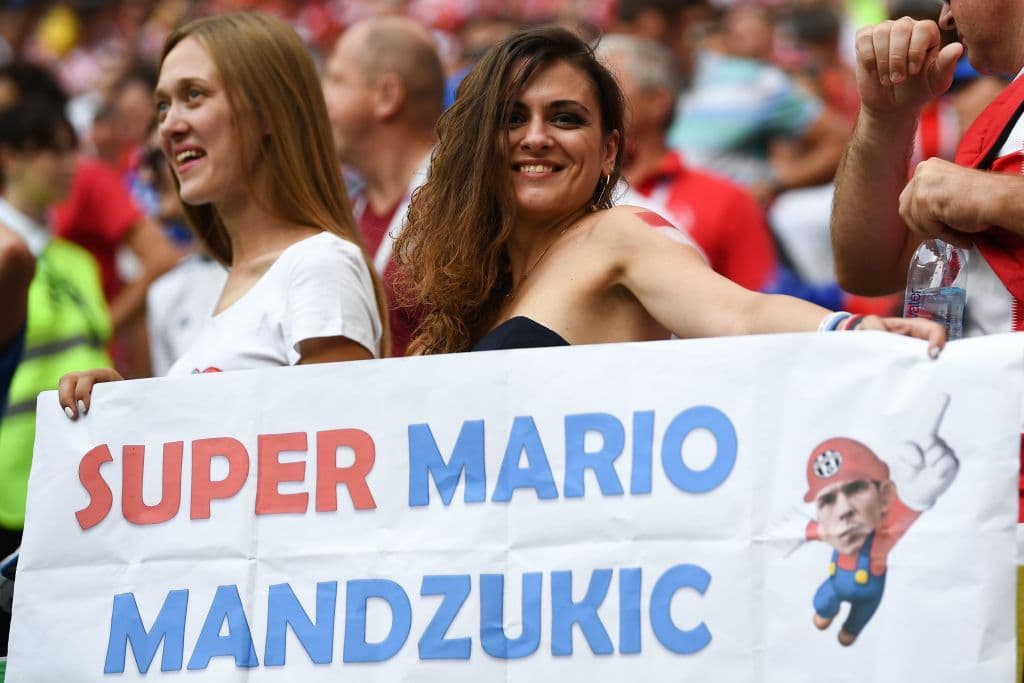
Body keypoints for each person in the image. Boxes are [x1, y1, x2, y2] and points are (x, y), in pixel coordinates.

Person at [393, 26, 945, 356]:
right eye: (512, 118)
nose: (536, 138)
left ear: (609, 151)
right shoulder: (467, 279)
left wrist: (858, 331)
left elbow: (739, 316)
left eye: (565, 119)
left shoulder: (619, 235)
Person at [58, 11, 387, 416]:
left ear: (268, 112)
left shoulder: (318, 266)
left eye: (194, 94)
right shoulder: (236, 281)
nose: (169, 126)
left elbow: (338, 463)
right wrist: (132, 413)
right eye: (162, 106)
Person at [830, 3, 1024, 338]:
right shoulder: (1005, 108)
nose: (945, 18)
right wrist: (884, 117)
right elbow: (870, 272)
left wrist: (998, 196)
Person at [0, 96, 113, 561]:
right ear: (10, 157)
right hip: (11, 481)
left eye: (74, 150)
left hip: (87, 477)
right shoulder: (8, 257)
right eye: (53, 150)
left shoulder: (77, 261)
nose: (71, 165)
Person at [597, 33, 779, 292]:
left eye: (608, 88)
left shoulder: (727, 200)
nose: (594, 101)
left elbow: (762, 311)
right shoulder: (573, 193)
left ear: (658, 101)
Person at [322, 15, 444, 357]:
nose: (320, 99)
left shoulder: (462, 203)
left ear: (386, 95)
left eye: (335, 79)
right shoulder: (345, 213)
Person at [801, 427, 957, 646]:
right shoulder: (826, 530)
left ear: (884, 496)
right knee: (822, 605)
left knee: (852, 630)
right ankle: (827, 614)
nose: (843, 509)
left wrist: (915, 495)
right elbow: (801, 529)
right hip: (835, 585)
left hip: (868, 598)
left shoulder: (881, 537)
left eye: (855, 489)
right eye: (827, 500)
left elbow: (901, 516)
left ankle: (848, 630)